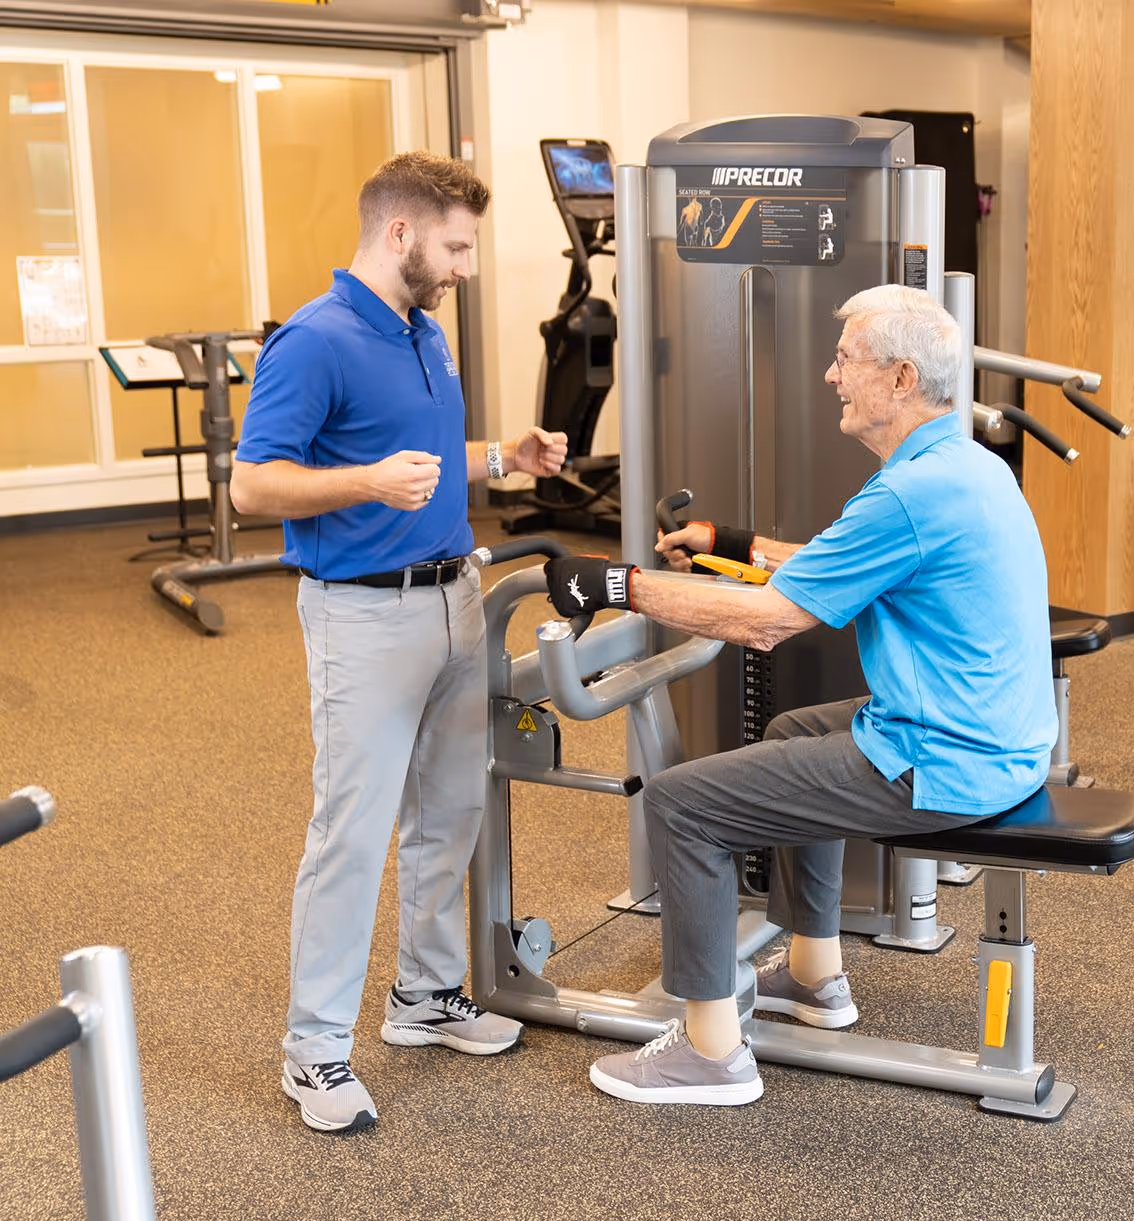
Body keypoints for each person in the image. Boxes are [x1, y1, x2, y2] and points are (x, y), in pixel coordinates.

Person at [541, 284, 1056, 1107]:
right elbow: (835, 562)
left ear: (898, 378)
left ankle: (709, 1055)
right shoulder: (961, 467)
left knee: (682, 804)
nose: (829, 375)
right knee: (789, 729)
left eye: (845, 359)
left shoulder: (908, 492)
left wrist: (617, 583)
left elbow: (770, 625)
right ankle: (816, 974)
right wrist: (729, 544)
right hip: (1001, 740)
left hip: (947, 761)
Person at [231, 152, 569, 1133]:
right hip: (363, 615)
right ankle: (316, 1049)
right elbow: (256, 486)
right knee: (354, 829)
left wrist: (502, 456)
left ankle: (424, 997)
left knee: (450, 810)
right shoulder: (315, 340)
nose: (466, 265)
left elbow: (412, 455)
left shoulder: (425, 332)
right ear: (401, 234)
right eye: (456, 246)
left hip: (454, 599)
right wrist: (368, 483)